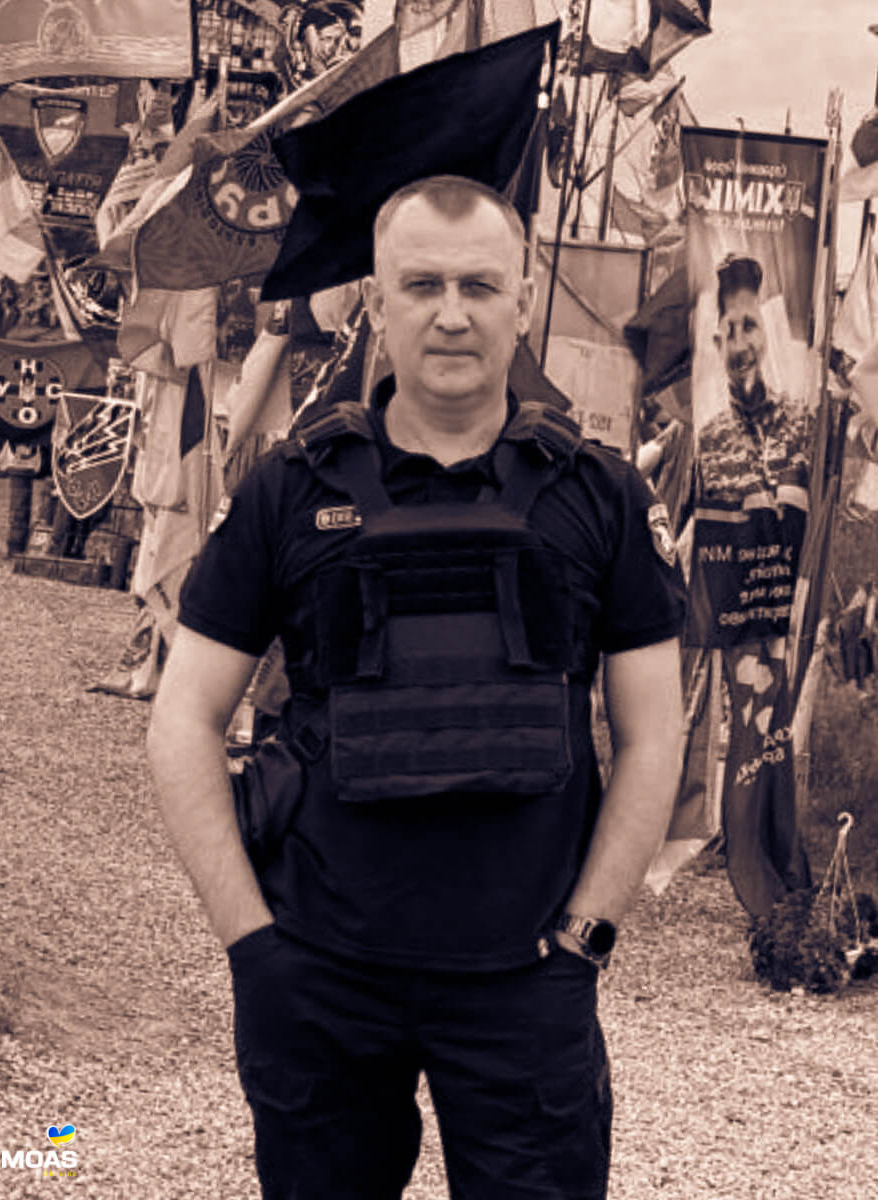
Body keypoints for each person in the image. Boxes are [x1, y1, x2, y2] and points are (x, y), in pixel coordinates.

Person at [147, 175, 686, 1200]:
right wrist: (252, 945)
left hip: (526, 984)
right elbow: (183, 718)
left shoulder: (601, 495)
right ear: (376, 300)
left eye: (479, 286)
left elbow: (654, 737)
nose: (451, 314)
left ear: (521, 300)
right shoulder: (290, 489)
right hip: (321, 980)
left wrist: (585, 941)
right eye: (422, 284)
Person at [695, 254, 813, 512]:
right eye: (730, 332)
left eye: (749, 327)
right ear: (718, 344)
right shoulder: (709, 440)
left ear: (765, 333)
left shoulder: (801, 425)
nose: (739, 346)